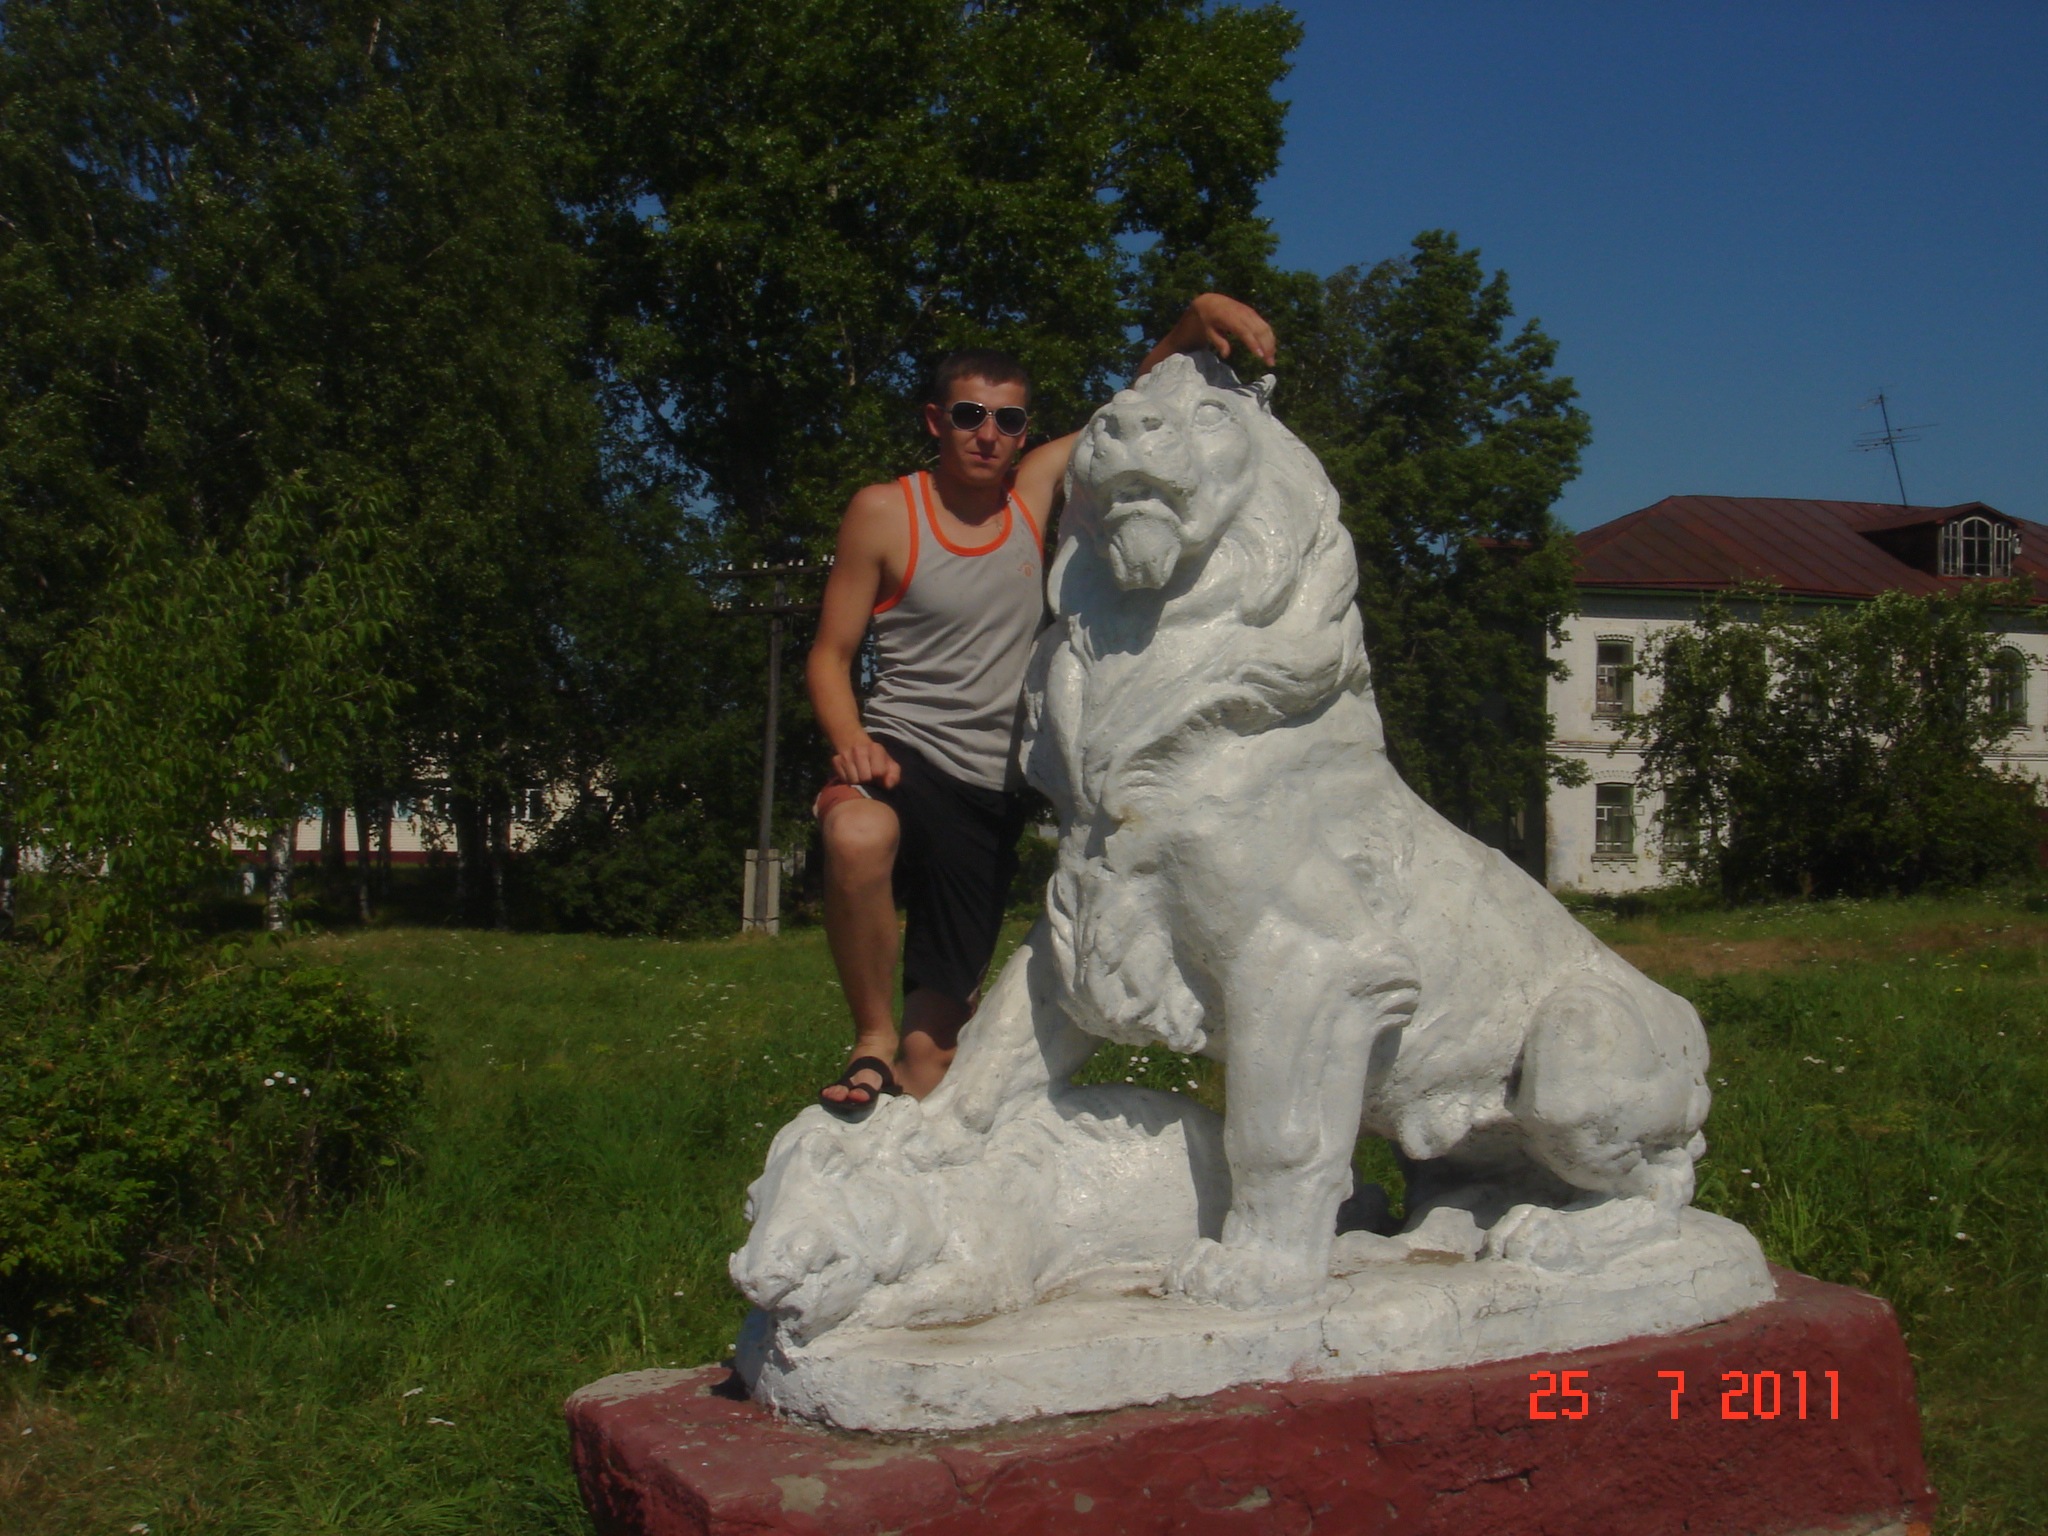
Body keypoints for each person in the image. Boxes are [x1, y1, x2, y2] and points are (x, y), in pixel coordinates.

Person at [807, 294, 1277, 1113]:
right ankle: (870, 1039)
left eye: (1009, 421)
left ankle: (904, 1119)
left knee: (933, 1060)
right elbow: (829, 655)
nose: (987, 434)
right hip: (900, 756)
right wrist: (850, 739)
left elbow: (1127, 410)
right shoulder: (885, 511)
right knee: (856, 834)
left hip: (988, 792)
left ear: (1024, 433)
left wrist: (1189, 323)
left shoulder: (1029, 501)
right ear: (936, 421)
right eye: (968, 415)